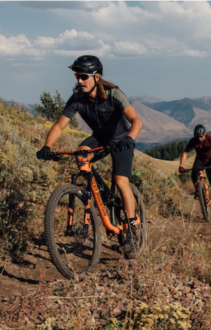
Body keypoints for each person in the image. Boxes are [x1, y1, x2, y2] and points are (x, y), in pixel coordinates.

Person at [36, 55, 143, 256]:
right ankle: (99, 194)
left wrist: (130, 138)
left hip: (121, 140)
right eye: (77, 76)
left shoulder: (113, 94)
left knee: (121, 182)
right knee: (81, 155)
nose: (79, 80)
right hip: (100, 139)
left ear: (96, 77)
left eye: (84, 76)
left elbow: (136, 120)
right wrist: (47, 146)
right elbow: (59, 126)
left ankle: (131, 231)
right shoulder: (77, 99)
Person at [178, 124, 211, 213]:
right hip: (200, 160)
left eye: (201, 136)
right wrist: (181, 166)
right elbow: (185, 153)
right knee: (194, 173)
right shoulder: (193, 141)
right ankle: (198, 190)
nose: (199, 139)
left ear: (205, 134)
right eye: (197, 137)